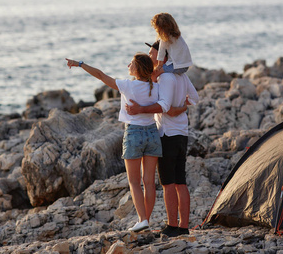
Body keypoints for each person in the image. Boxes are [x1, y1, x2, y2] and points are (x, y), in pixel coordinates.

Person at [66, 53, 163, 233]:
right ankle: (146, 220)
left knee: (134, 182)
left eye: (131, 63)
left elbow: (101, 76)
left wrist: (80, 64)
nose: (128, 65)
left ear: (138, 68)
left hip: (134, 133)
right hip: (152, 132)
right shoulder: (156, 87)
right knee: (149, 182)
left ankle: (142, 220)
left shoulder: (128, 86)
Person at [126, 40, 199, 237]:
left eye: (153, 54)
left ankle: (173, 226)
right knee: (180, 182)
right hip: (182, 133)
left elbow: (165, 106)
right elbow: (194, 98)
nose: (151, 58)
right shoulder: (181, 75)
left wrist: (142, 109)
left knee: (168, 184)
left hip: (167, 134)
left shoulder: (165, 78)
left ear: (164, 57)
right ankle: (184, 226)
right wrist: (181, 107)